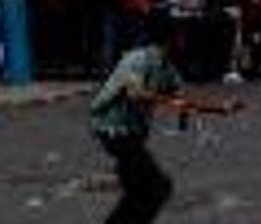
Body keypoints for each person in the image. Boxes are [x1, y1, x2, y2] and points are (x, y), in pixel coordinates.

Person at [89, 21, 240, 224]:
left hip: (132, 133)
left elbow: (183, 101)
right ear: (172, 41)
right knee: (156, 188)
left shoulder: (168, 69)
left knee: (142, 190)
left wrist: (221, 109)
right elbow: (135, 93)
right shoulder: (138, 59)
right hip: (112, 129)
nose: (185, 44)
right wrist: (168, 101)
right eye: (182, 39)